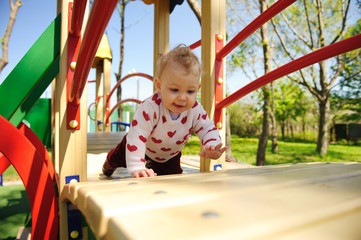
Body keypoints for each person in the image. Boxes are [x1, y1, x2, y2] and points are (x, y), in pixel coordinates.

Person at [102, 44, 226, 178]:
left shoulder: (194, 109)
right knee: (116, 158)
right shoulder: (150, 107)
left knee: (174, 179)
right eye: (174, 90)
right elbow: (137, 136)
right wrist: (137, 166)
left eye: (190, 91)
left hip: (169, 156)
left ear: (197, 88)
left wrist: (211, 144)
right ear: (159, 86)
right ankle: (109, 162)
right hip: (138, 147)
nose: (182, 97)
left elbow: (207, 127)